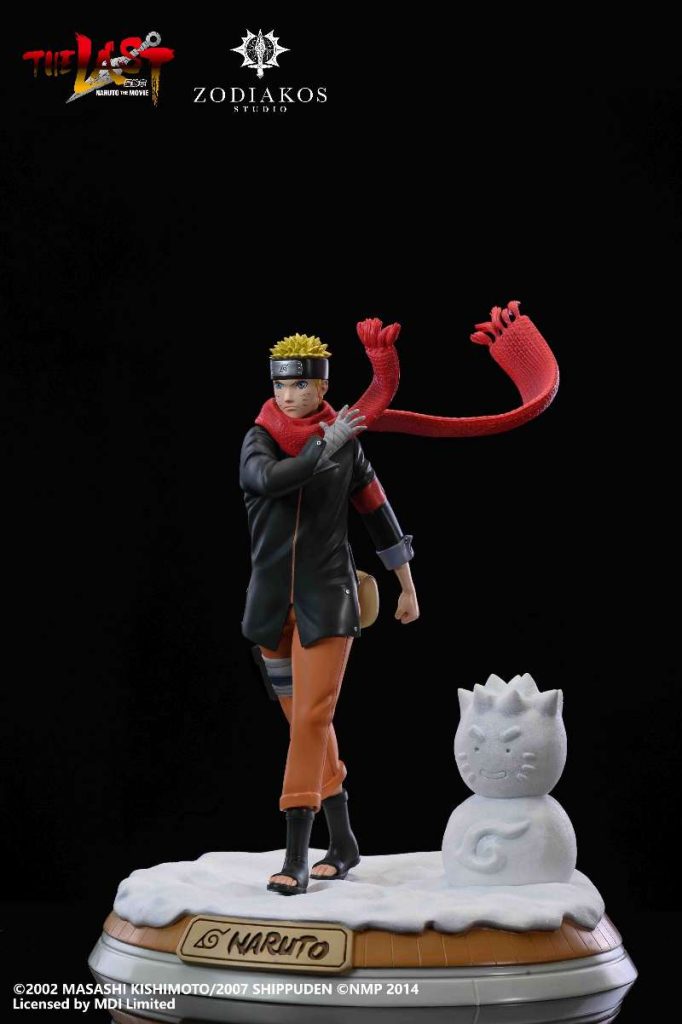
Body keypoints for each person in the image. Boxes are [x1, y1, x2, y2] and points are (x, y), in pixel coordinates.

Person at [239, 333, 419, 895]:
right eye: (280, 385)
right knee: (305, 725)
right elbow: (267, 480)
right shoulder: (259, 439)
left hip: (329, 601)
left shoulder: (347, 446)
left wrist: (407, 587)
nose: (288, 396)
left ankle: (296, 856)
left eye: (300, 385)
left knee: (312, 720)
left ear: (322, 388)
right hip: (270, 608)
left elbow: (379, 513)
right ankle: (343, 844)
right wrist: (323, 445)